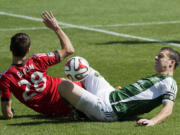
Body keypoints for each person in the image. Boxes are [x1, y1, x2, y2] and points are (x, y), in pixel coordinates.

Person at [58, 47, 180, 126]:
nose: (156, 57)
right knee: (83, 66)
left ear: (171, 63)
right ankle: (82, 105)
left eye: (161, 56)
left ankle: (80, 112)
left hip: (107, 108)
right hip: (109, 93)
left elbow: (168, 109)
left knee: (63, 85)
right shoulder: (158, 78)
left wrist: (152, 121)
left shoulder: (169, 83)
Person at [0, 11, 82, 119]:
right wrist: (56, 28)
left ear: (11, 49)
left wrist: (9, 113)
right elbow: (69, 49)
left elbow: (7, 114)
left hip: (58, 110)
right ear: (28, 50)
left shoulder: (5, 78)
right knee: (83, 71)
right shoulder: (38, 60)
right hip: (72, 90)